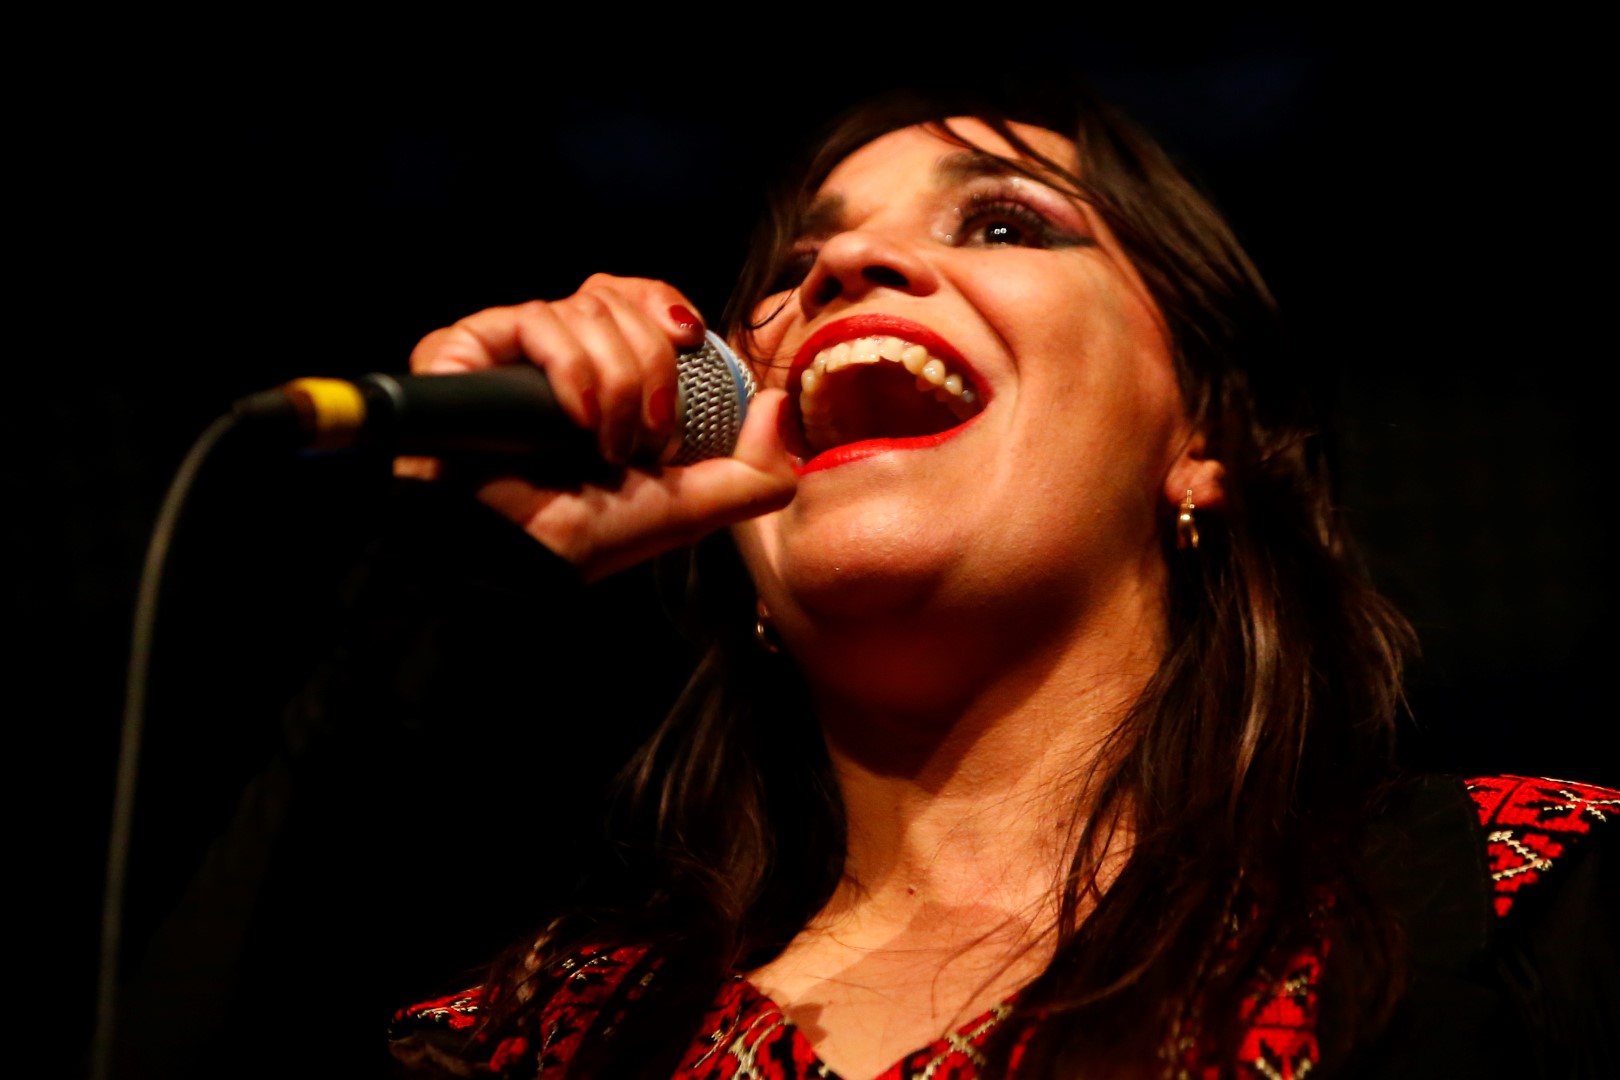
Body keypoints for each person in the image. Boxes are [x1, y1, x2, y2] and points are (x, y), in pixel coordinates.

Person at [382, 87, 1617, 1078]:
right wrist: (466, 570)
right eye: (799, 256)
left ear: (1205, 441)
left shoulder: (1514, 899)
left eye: (1005, 226)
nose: (845, 261)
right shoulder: (538, 1037)